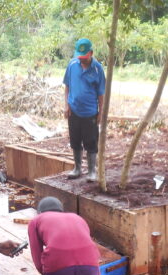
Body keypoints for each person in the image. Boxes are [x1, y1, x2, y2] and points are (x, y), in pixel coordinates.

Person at [63, 38, 106, 182]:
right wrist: (66, 105)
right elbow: (67, 86)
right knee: (75, 140)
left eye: (84, 57)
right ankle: (77, 168)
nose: (82, 60)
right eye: (79, 57)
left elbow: (101, 94)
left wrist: (101, 112)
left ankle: (92, 171)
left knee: (91, 142)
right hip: (73, 110)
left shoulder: (97, 68)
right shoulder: (72, 65)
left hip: (90, 112)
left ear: (91, 53)